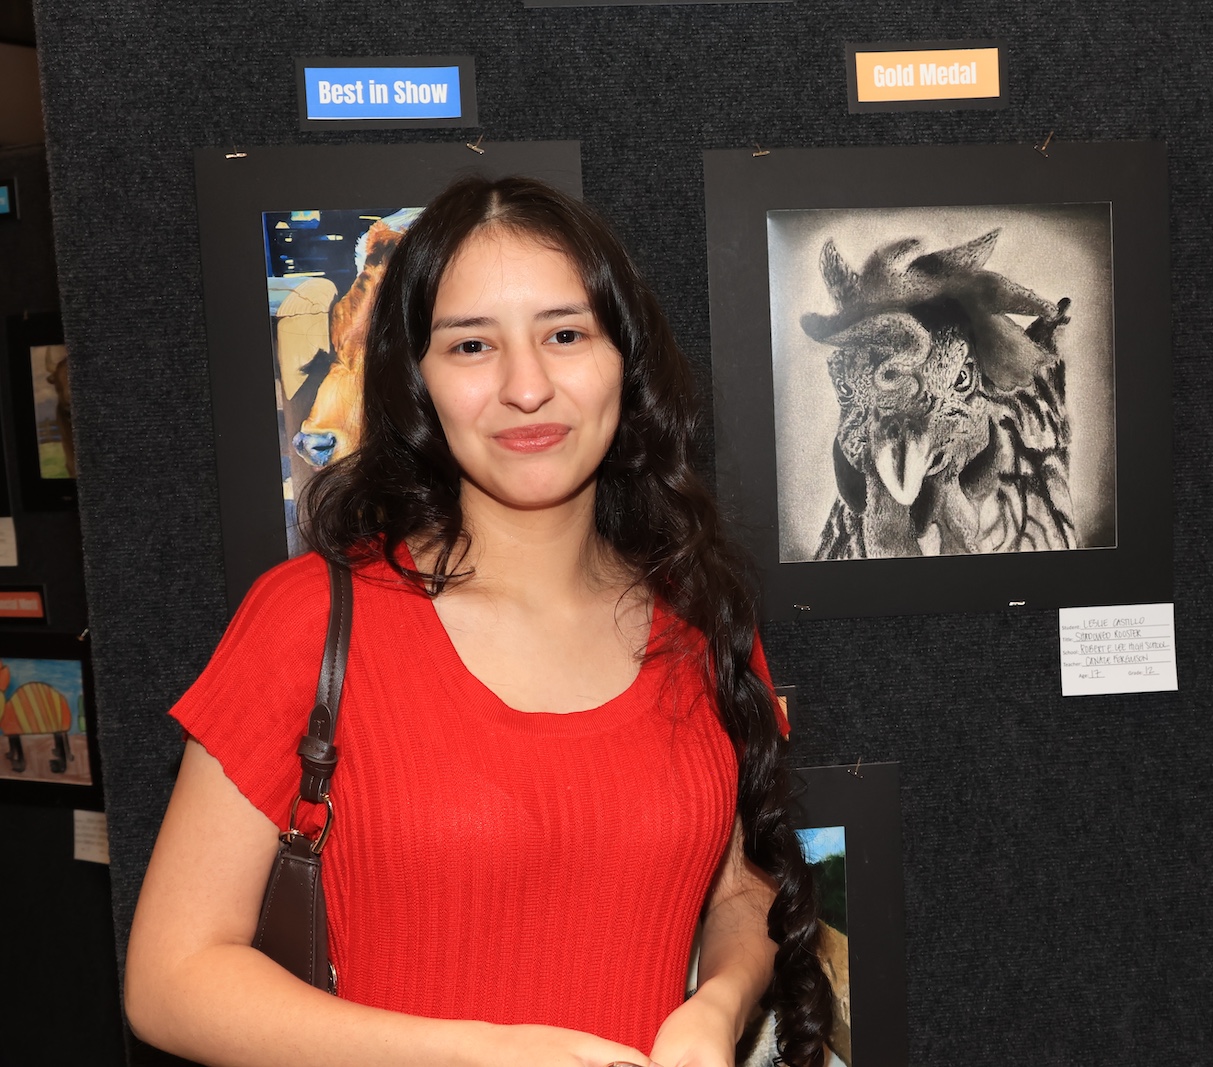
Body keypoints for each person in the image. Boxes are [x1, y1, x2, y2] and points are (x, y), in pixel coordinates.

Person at [125, 175, 832, 1067]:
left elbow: (742, 888)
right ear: (415, 380)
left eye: (565, 334)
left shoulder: (698, 616)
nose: (526, 387)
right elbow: (171, 977)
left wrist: (716, 1006)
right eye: (470, 347)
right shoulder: (308, 620)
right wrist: (475, 1055)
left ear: (626, 360)